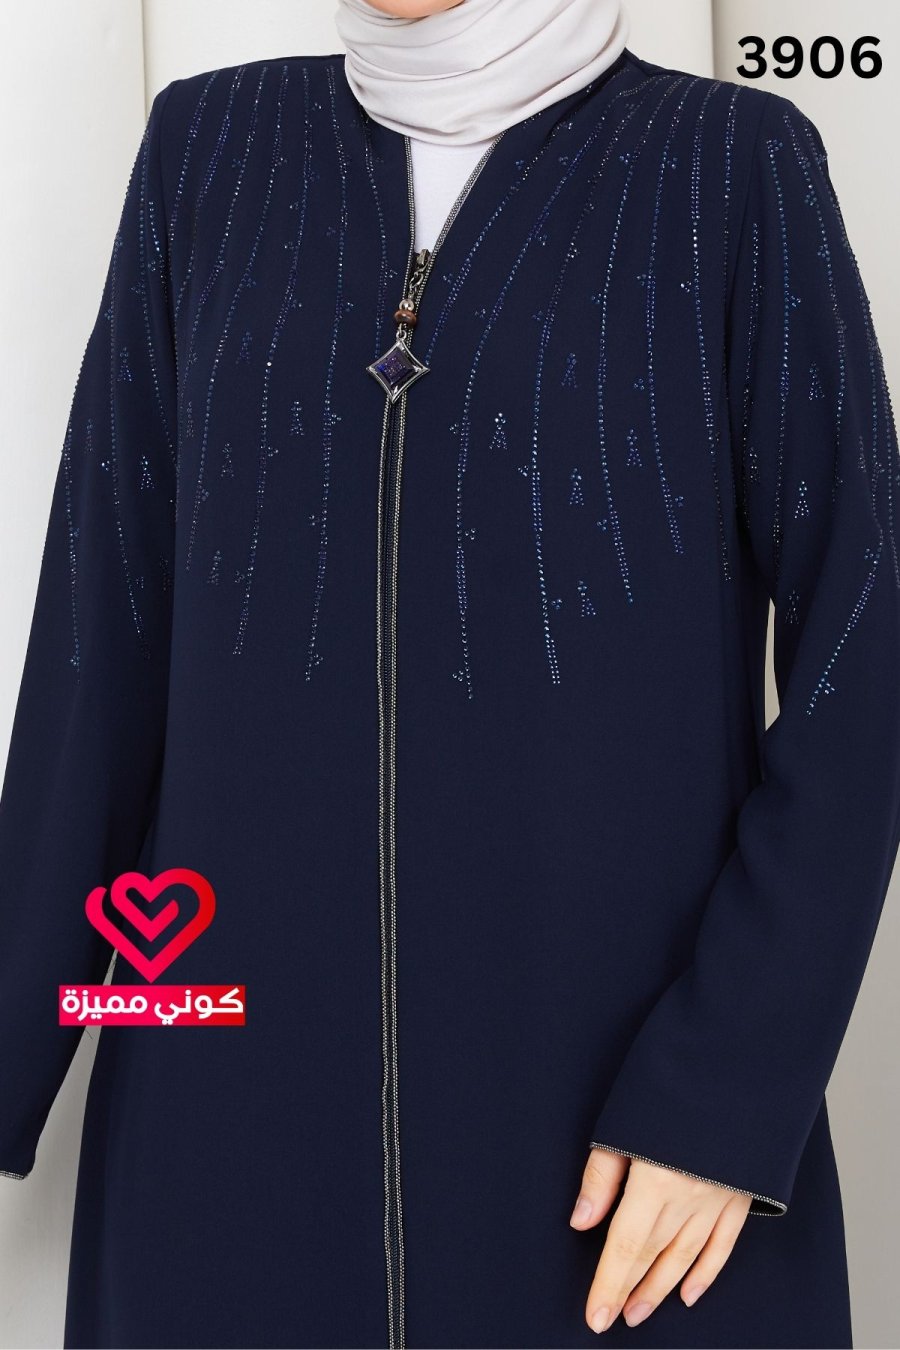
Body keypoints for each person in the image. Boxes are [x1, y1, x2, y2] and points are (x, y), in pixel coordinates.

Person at [1, 0, 898, 1345]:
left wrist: (726, 1090)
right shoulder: (210, 152)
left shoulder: (733, 166)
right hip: (225, 1135)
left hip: (619, 1161)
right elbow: (99, 649)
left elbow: (865, 653)